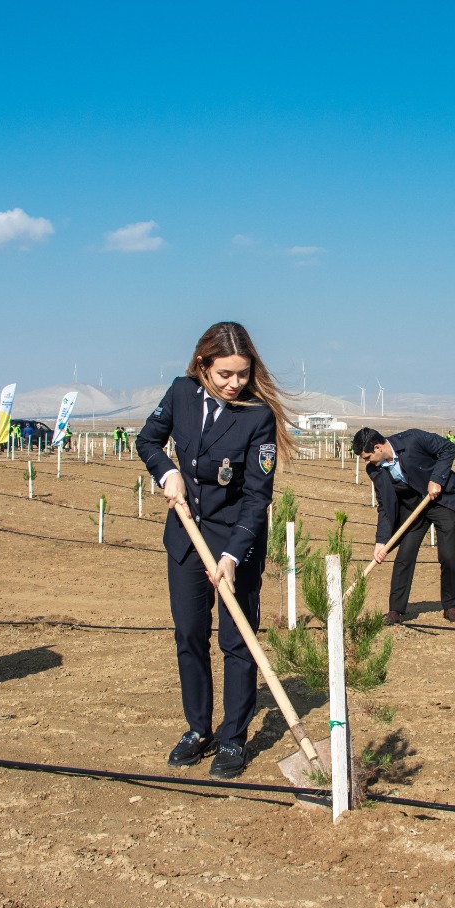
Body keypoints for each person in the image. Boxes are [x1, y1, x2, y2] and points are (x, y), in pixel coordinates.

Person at [137, 321, 293, 781]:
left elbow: (257, 495)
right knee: (189, 634)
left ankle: (233, 737)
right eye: (225, 373)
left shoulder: (256, 416)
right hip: (186, 537)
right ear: (203, 365)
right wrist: (167, 473)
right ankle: (197, 729)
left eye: (242, 374)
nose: (234, 383)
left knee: (237, 640)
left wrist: (231, 556)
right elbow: (147, 439)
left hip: (235, 543)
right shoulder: (181, 393)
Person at [354, 426, 455, 626]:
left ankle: (451, 606)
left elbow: (448, 448)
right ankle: (395, 610)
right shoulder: (374, 469)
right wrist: (381, 541)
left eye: (366, 457)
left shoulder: (413, 439)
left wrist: (436, 479)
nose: (366, 462)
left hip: (441, 502)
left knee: (448, 555)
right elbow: (384, 505)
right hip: (412, 509)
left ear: (378, 447)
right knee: (404, 556)